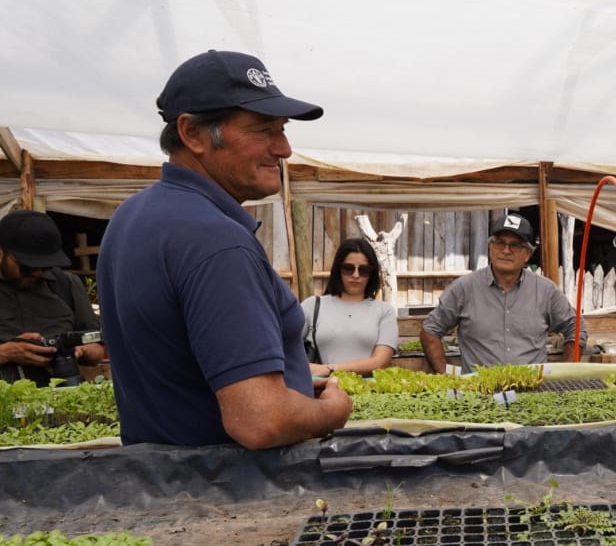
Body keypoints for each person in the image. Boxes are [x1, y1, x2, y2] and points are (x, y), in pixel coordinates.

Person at [98, 50, 353, 448]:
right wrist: (332, 412)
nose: (284, 149)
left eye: (283, 129)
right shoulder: (216, 240)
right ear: (193, 134)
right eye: (262, 130)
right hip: (230, 490)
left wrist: (293, 382)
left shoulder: (132, 215)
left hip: (162, 483)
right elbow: (260, 421)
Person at [419, 213, 587, 373]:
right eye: (500, 243)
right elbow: (430, 330)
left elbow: (577, 330)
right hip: (478, 394)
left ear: (528, 254)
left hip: (532, 394)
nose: (506, 251)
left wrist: (565, 373)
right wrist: (445, 374)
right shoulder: (464, 288)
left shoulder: (545, 291)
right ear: (490, 247)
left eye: (515, 245)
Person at [0, 210, 105, 386]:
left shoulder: (66, 284)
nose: (37, 272)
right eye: (27, 266)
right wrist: (6, 353)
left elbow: (96, 349)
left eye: (45, 266)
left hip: (61, 403)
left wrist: (77, 351)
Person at [304, 238, 399, 378]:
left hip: (369, 394)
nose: (356, 275)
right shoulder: (312, 305)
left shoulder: (385, 311)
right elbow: (283, 345)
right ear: (338, 269)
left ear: (372, 273)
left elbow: (380, 362)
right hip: (320, 391)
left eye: (364, 270)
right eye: (348, 268)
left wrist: (329, 369)